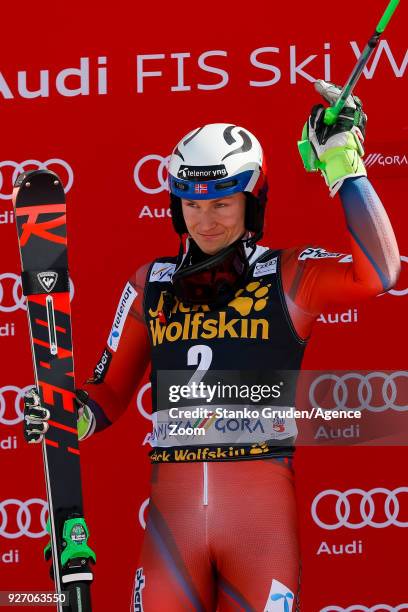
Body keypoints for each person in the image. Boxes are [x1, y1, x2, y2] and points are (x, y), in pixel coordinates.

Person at [24, 81, 400, 611]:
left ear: (252, 202)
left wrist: (343, 165)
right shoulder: (150, 283)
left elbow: (380, 272)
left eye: (223, 203)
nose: (206, 220)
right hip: (172, 531)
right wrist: (67, 416)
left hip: (260, 525)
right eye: (192, 204)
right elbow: (107, 393)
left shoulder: (288, 276)